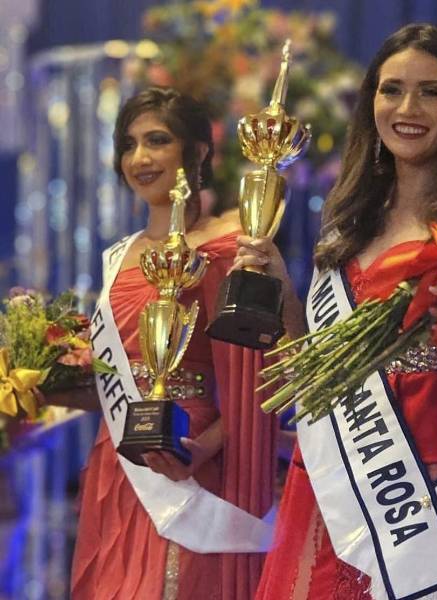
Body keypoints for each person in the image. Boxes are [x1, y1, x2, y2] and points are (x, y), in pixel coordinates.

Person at [237, 24, 437, 600]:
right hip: (342, 483)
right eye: (391, 90)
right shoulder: (347, 224)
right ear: (371, 103)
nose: (408, 108)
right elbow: (308, 375)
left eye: (431, 91)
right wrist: (284, 290)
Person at [43, 87, 278, 600]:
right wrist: (38, 382)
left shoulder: (230, 243)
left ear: (196, 152)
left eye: (156, 140)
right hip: (121, 459)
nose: (139, 158)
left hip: (190, 454)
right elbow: (112, 376)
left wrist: (202, 449)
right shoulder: (119, 257)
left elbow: (263, 374)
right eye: (128, 145)